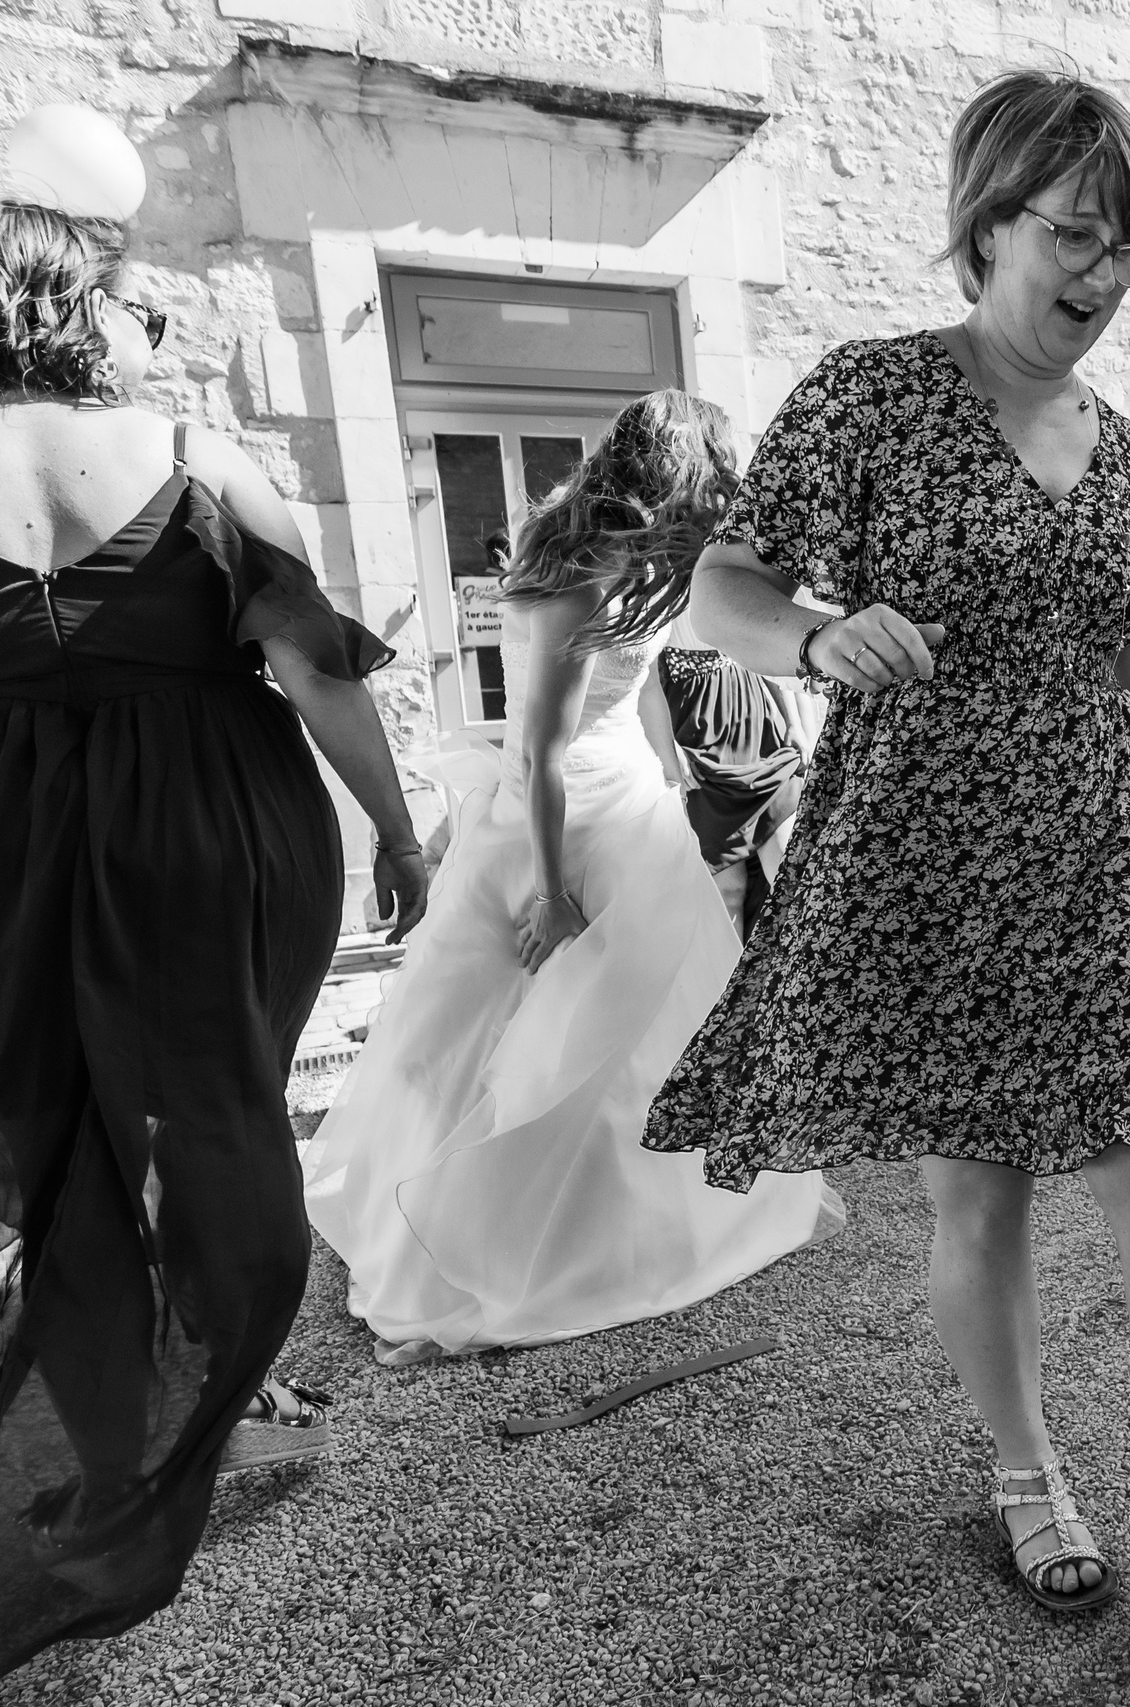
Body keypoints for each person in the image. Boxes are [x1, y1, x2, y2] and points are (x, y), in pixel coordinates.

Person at [637, 73, 1130, 1707]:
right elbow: (723, 587)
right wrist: (820, 636)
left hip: (1102, 855)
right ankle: (1029, 1472)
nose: (1102, 277)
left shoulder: (1127, 457)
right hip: (924, 856)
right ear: (988, 225)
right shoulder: (872, 396)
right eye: (1074, 236)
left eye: (1127, 252)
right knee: (979, 1198)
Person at [0, 197, 430, 1697]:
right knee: (206, 1132)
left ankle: (113, 1454)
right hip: (199, 843)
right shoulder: (198, 458)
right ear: (65, 300)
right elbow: (309, 667)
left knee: (68, 1164)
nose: (134, 323)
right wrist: (401, 827)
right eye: (118, 297)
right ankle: (173, 1414)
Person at [302, 390, 843, 1367]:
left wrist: (678, 781)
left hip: (632, 809)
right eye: (717, 475)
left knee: (643, 1028)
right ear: (675, 476)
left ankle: (629, 1225)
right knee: (524, 1037)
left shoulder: (641, 564)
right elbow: (542, 746)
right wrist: (551, 895)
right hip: (558, 820)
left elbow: (640, 696)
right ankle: (490, 1249)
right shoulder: (576, 576)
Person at [658, 617, 805, 937]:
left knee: (791, 868)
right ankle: (737, 983)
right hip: (691, 730)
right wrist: (667, 749)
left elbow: (762, 637)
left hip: (752, 717)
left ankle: (811, 971)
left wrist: (793, 721)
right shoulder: (648, 568)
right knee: (728, 892)